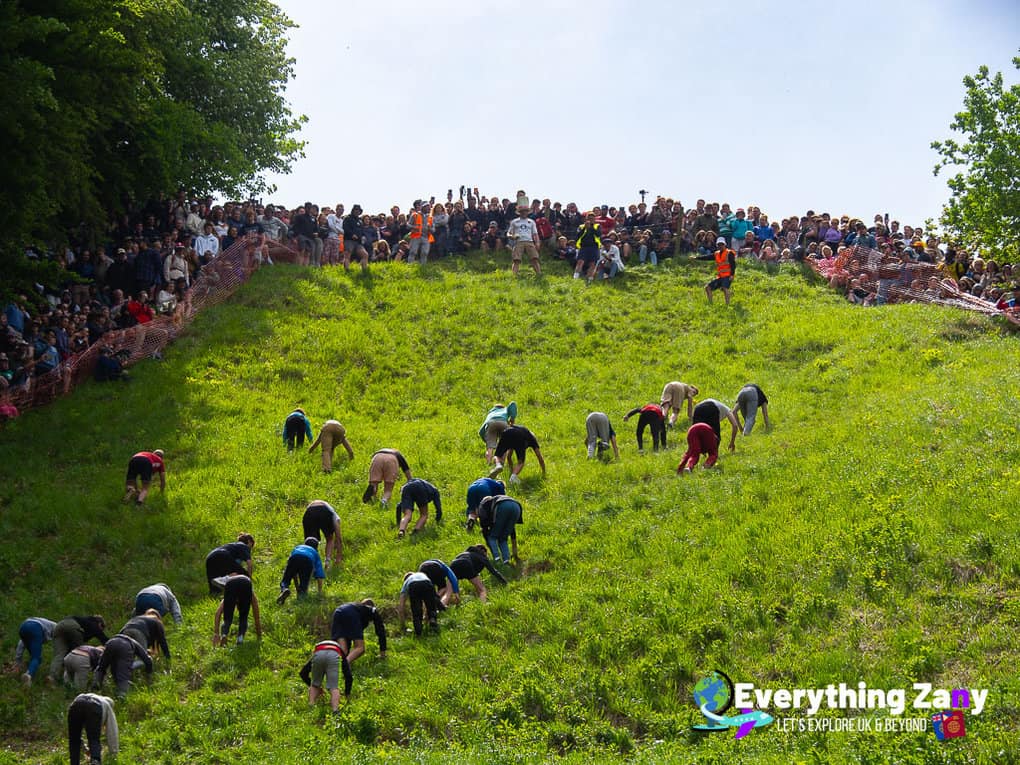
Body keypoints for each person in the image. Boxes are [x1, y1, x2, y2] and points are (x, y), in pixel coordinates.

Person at [49, 617, 109, 684]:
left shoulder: (84, 621)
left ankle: (52, 678)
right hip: (72, 626)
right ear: (100, 624)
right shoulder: (94, 624)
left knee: (59, 654)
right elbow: (104, 639)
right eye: (102, 628)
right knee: (78, 653)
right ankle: (71, 679)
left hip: (59, 626)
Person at [93, 632, 152, 696]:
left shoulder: (117, 639)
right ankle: (122, 695)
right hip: (125, 647)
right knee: (123, 674)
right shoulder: (135, 643)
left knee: (102, 666)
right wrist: (149, 672)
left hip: (110, 643)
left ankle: (96, 686)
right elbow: (146, 658)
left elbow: (114, 667)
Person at [301, 639, 353, 710]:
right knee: (333, 687)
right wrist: (347, 693)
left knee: (314, 685)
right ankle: (335, 710)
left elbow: (303, 672)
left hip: (318, 652)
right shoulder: (340, 651)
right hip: (334, 654)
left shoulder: (320, 648)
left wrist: (317, 687)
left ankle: (311, 706)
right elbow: (348, 675)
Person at [68, 692, 118, 765]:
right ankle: (95, 761)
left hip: (76, 704)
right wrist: (114, 752)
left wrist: (84, 748)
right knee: (94, 739)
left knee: (74, 740)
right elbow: (112, 731)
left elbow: (75, 731)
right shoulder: (107, 705)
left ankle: (74, 763)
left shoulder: (85, 695)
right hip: (94, 707)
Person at [472, 494, 523, 565]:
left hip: (502, 506)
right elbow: (512, 530)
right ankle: (506, 560)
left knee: (492, 537)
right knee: (503, 538)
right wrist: (515, 553)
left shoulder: (483, 505)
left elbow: (484, 528)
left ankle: (497, 558)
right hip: (517, 506)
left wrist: (488, 539)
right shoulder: (495, 500)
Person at [213, 573, 262, 646]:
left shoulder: (228, 598)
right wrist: (259, 634)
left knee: (227, 618)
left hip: (230, 583)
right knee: (243, 616)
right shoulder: (250, 595)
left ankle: (224, 635)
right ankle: (240, 637)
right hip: (246, 582)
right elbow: (256, 614)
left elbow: (218, 613)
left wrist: (216, 633)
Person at [278, 537, 326, 604]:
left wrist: (296, 587)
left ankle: (284, 589)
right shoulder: (315, 553)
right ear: (316, 548)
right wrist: (320, 592)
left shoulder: (298, 547)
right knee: (304, 584)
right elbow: (319, 574)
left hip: (294, 557)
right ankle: (301, 601)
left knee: (286, 579)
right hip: (308, 560)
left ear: (305, 543)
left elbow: (292, 570)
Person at [398, 571, 443, 636]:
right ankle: (432, 620)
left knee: (416, 611)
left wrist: (402, 624)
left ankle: (418, 631)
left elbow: (401, 606)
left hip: (414, 586)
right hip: (427, 583)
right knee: (431, 607)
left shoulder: (406, 582)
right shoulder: (422, 575)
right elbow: (431, 598)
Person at [15, 616, 56, 686]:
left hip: (23, 627)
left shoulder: (46, 623)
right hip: (36, 627)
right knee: (36, 658)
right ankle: (28, 674)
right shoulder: (56, 627)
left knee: (34, 657)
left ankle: (28, 668)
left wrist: (18, 660)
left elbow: (21, 643)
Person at [301, 501, 344, 567]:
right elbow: (339, 537)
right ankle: (327, 562)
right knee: (330, 539)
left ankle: (311, 563)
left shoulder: (329, 508)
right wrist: (339, 556)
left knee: (311, 541)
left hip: (309, 512)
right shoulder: (335, 516)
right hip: (323, 510)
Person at [506, 205, 542, 276]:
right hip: (518, 242)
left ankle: (539, 274)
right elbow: (508, 233)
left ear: (528, 212)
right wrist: (511, 236)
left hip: (530, 241)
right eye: (522, 211)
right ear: (519, 212)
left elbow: (535, 233)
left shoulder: (531, 222)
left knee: (534, 258)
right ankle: (514, 275)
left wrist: (537, 242)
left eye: (525, 211)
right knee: (516, 260)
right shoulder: (514, 221)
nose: (524, 212)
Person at [705, 236, 736, 306]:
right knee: (707, 287)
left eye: (722, 244)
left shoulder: (729, 253)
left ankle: (727, 305)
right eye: (719, 244)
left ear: (725, 244)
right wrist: (696, 258)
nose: (720, 246)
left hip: (728, 275)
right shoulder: (716, 254)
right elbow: (707, 257)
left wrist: (732, 275)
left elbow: (733, 265)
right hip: (720, 276)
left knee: (725, 288)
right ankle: (710, 304)